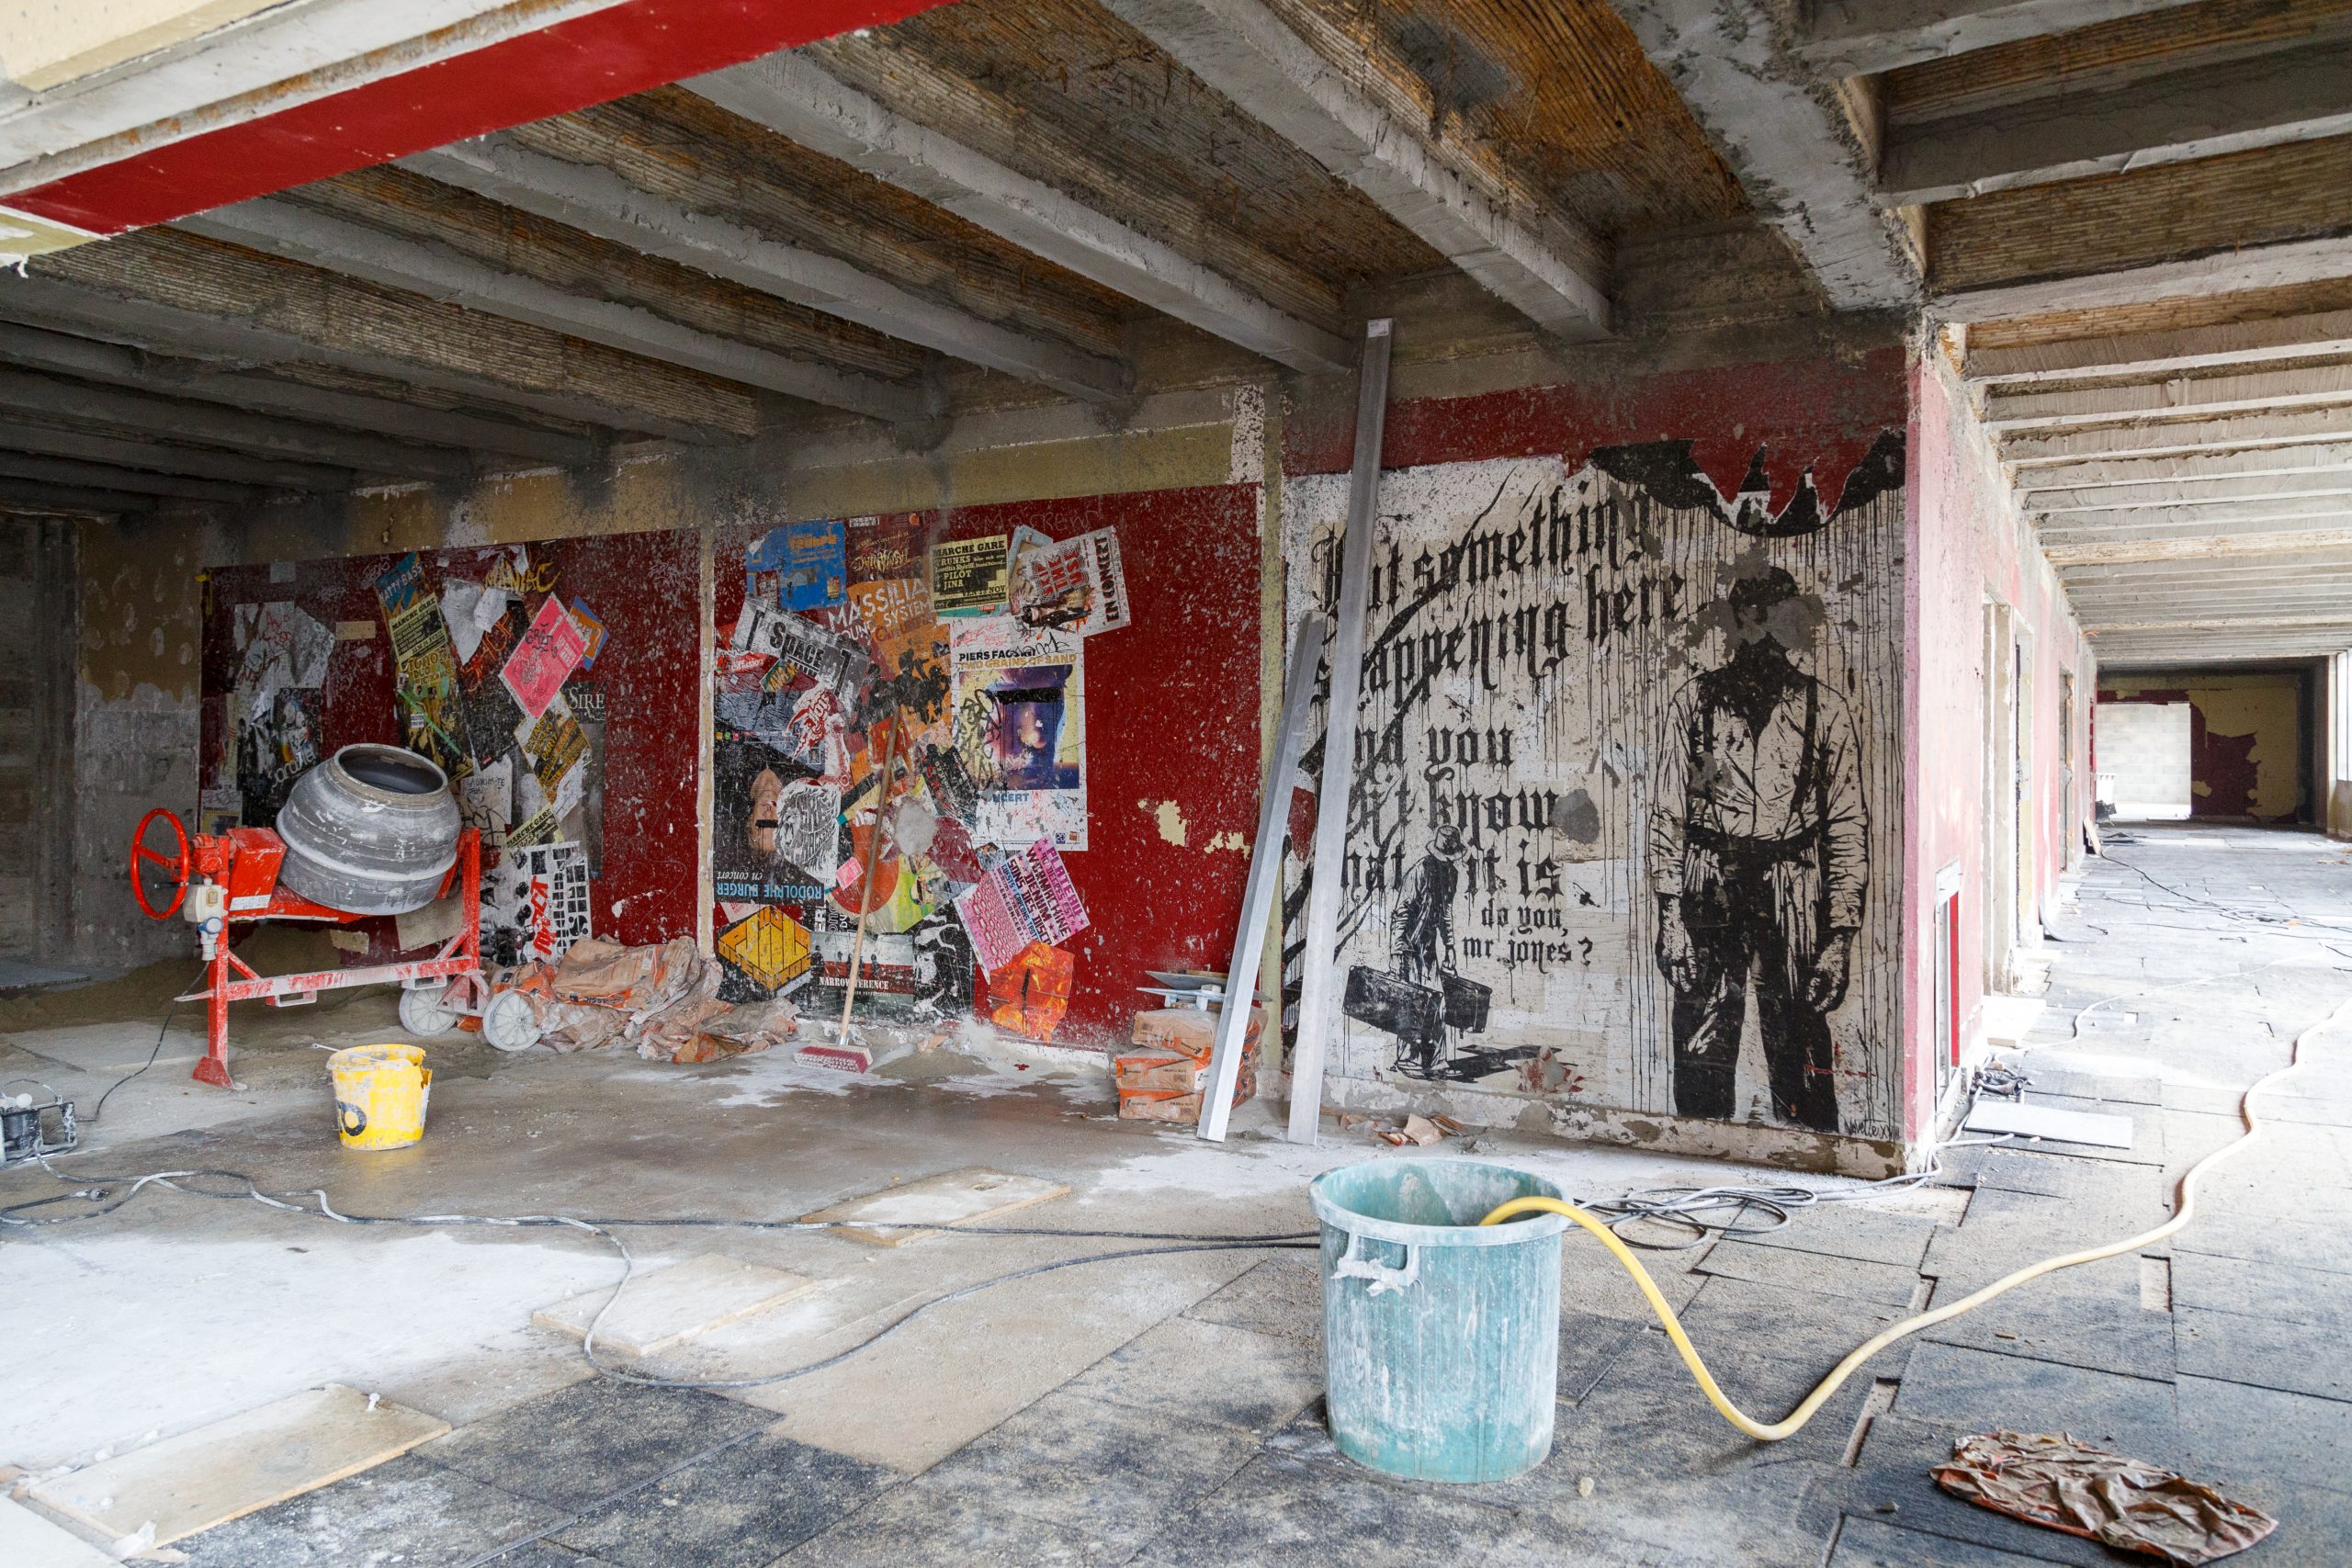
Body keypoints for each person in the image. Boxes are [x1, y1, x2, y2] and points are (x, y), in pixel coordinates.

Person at [1648, 566, 1866, 1133]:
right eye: (1751, 618)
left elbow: (1846, 827)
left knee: (1800, 1038)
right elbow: (1669, 813)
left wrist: (1839, 938)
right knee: (1702, 1040)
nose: (1763, 632)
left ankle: (1810, 1151)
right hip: (1709, 879)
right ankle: (1697, 1146)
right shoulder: (1695, 703)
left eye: (1775, 617)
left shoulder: (1825, 709)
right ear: (1736, 624)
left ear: (1790, 623)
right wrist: (1670, 916)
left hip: (1793, 883)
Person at [1388, 823, 1468, 1077]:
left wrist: (1450, 946)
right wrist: (1396, 952)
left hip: (1429, 947)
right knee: (1411, 1003)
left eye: (1451, 859)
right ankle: (1408, 1059)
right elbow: (1401, 912)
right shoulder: (1420, 871)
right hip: (1408, 946)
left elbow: (1446, 913)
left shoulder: (1451, 875)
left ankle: (1436, 1061)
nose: (1448, 863)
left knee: (1437, 1001)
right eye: (1445, 859)